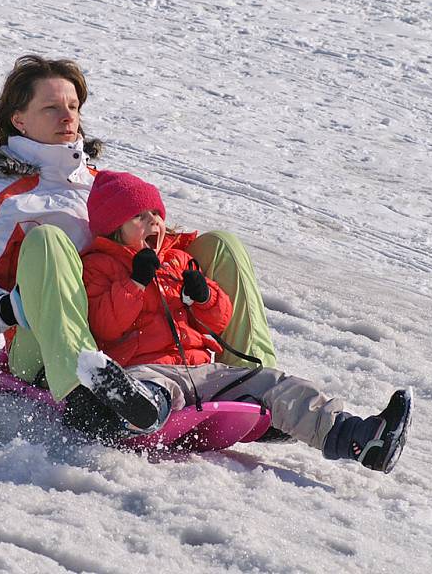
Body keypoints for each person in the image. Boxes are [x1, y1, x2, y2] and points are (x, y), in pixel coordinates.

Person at [0, 55, 276, 437]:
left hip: (121, 333)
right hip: (42, 345)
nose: (67, 117)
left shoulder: (101, 185)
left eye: (72, 106)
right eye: (50, 108)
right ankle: (84, 390)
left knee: (220, 245)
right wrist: (9, 308)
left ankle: (256, 381)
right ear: (19, 120)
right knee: (49, 241)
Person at [79, 170, 412, 472]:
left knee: (276, 384)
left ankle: (358, 437)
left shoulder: (178, 260)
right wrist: (134, 284)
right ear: (114, 228)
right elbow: (106, 326)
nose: (152, 222)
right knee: (153, 387)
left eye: (155, 213)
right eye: (138, 216)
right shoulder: (100, 267)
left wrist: (205, 295)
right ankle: (137, 410)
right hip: (146, 369)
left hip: (201, 372)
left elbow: (220, 321)